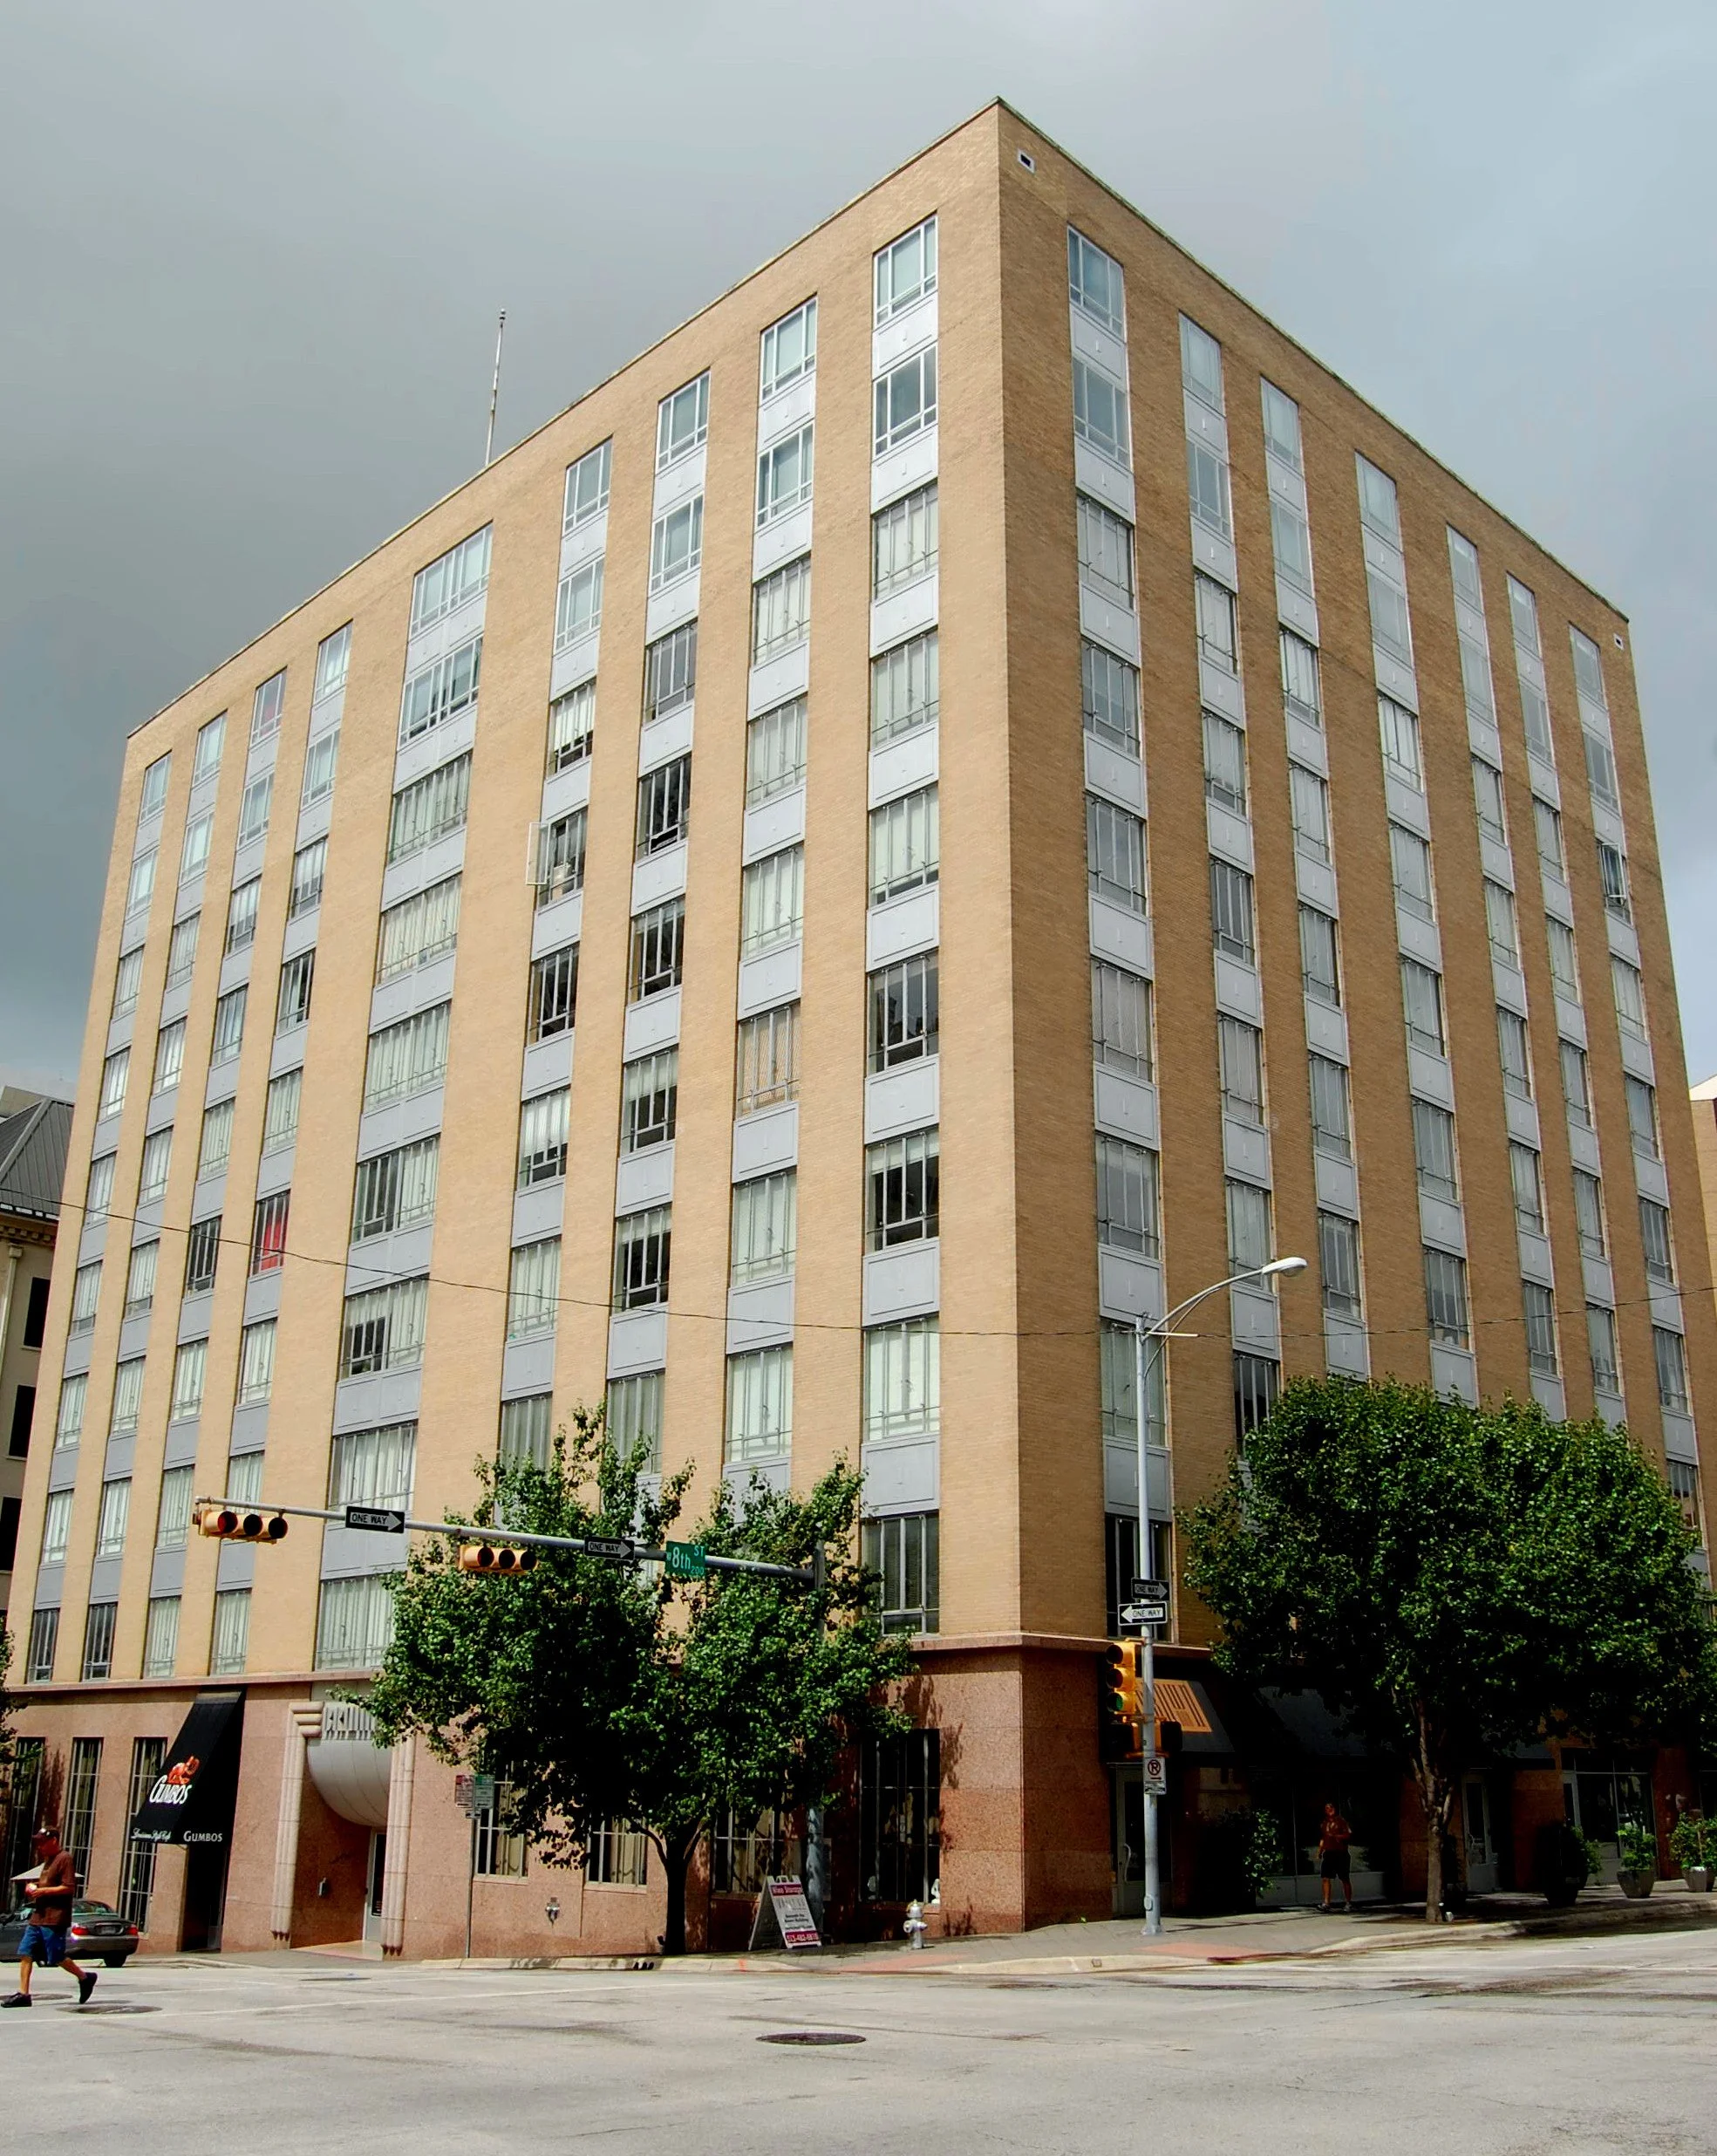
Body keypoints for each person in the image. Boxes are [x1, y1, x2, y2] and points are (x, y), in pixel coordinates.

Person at [3, 1826, 97, 2007]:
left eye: (43, 1842)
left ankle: (85, 1978)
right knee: (26, 1952)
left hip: (55, 1918)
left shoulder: (65, 1858)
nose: (40, 1846)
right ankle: (24, 1994)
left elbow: (68, 1887)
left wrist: (42, 1891)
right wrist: (34, 1887)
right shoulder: (48, 1860)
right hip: (39, 1916)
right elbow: (48, 1883)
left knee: (56, 1957)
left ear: (54, 1840)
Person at [1318, 1801, 1354, 1911]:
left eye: (1331, 1807)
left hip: (1341, 1853)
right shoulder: (1324, 1823)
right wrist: (1320, 1851)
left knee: (1344, 1878)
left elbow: (1348, 1834)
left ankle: (1348, 1903)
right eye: (1327, 1808)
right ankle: (1326, 1903)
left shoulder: (1341, 1821)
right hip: (1329, 1853)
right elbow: (1323, 1838)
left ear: (1335, 1809)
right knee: (1325, 1877)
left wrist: (1338, 1836)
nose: (1329, 1809)